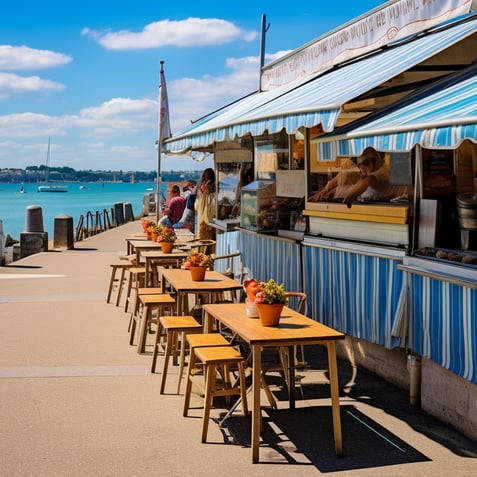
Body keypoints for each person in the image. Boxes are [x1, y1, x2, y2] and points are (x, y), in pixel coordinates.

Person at [194, 168, 217, 240]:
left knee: (209, 235)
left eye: (208, 175)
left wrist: (208, 192)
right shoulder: (201, 187)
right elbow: (198, 201)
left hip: (209, 215)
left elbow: (214, 200)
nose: (206, 177)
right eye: (205, 175)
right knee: (201, 234)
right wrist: (202, 190)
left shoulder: (214, 187)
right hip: (202, 213)